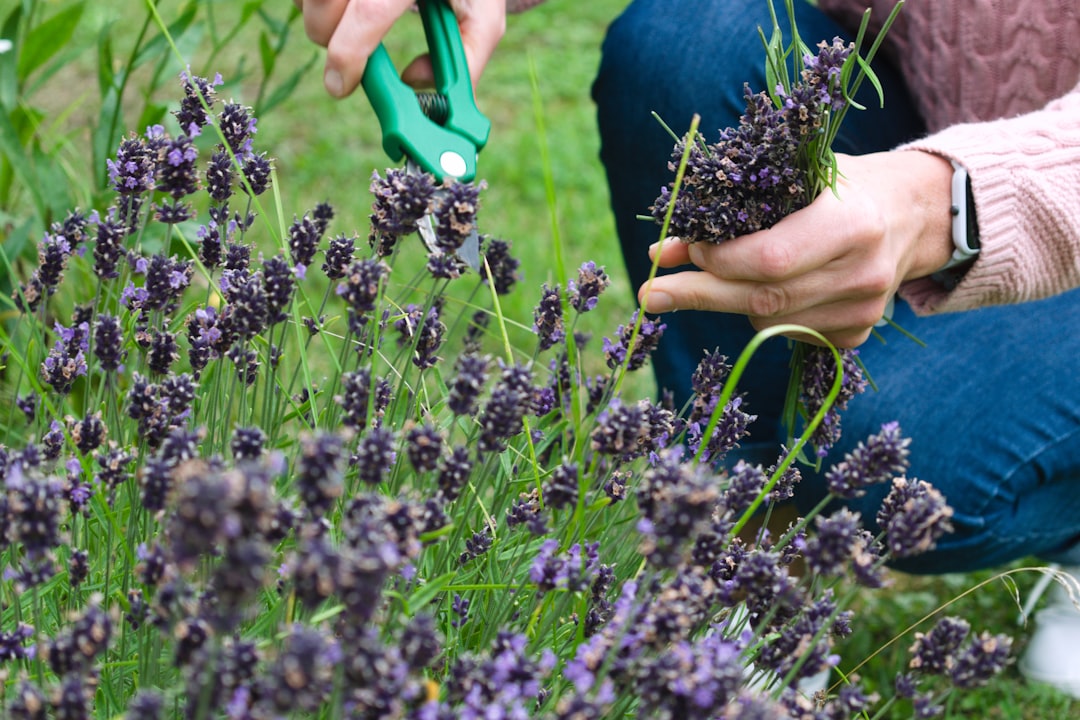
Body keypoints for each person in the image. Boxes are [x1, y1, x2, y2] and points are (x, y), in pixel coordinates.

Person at [295, 0, 1080, 695]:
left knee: (897, 447)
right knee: (686, 40)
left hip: (1012, 195)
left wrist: (946, 203)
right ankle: (751, 553)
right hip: (934, 142)